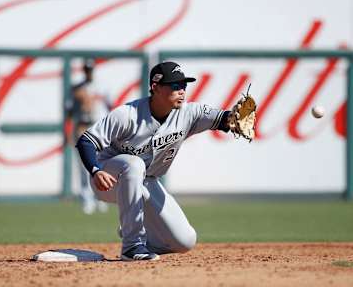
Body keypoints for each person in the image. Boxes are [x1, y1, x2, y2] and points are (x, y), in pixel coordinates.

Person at [76, 61, 231, 261]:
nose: (182, 91)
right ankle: (131, 246)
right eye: (175, 86)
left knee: (184, 241)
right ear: (155, 87)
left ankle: (139, 233)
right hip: (110, 178)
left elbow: (222, 118)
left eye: (184, 86)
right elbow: (86, 141)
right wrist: (96, 170)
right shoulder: (127, 115)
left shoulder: (188, 113)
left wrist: (233, 118)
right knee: (134, 164)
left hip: (147, 181)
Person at [67, 58, 108, 215]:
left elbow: (111, 109)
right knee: (85, 168)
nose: (88, 72)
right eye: (86, 69)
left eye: (90, 69)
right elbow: (70, 113)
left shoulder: (102, 87)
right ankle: (87, 199)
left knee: (102, 164)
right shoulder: (77, 88)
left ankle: (101, 198)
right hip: (83, 127)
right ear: (83, 70)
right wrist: (69, 133)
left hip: (99, 129)